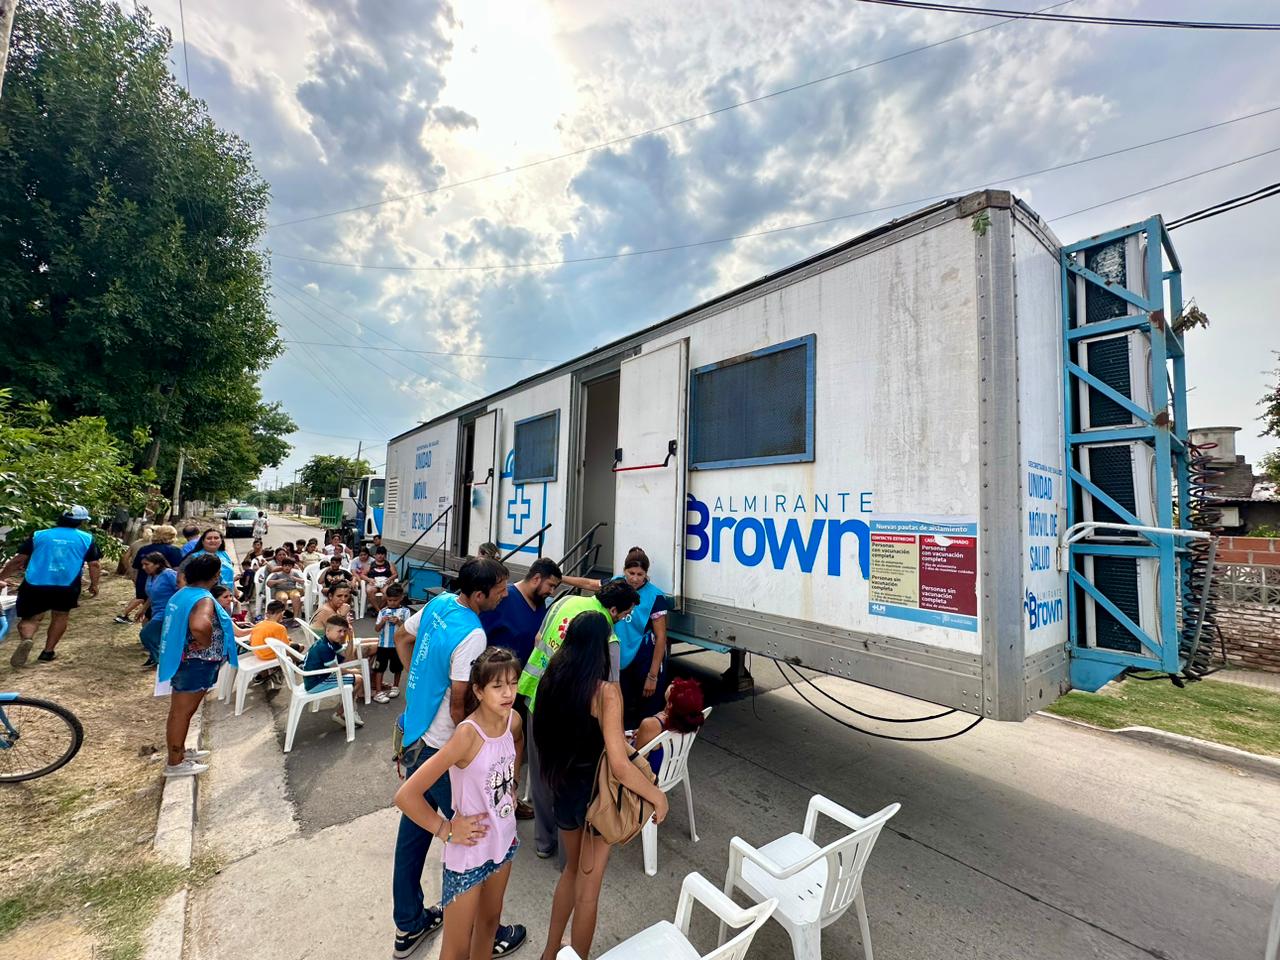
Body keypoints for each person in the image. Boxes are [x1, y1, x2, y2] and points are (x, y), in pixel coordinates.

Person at [389, 557, 525, 960]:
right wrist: (476, 741)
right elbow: (459, 704)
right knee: (475, 831)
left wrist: (418, 684)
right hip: (445, 747)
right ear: (479, 595)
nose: (505, 594)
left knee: (413, 833)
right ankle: (487, 930)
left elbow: (402, 636)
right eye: (499, 589)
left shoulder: (440, 603)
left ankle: (409, 922)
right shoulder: (474, 636)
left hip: (416, 731)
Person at [533, 612, 668, 960]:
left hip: (563, 789)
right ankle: (576, 955)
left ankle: (550, 952)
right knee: (588, 892)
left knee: (570, 872)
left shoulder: (550, 680)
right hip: (597, 798)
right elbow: (619, 766)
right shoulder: (606, 692)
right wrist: (656, 795)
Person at [518, 580, 639, 858]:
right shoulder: (608, 638)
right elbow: (612, 690)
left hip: (538, 699)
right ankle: (567, 856)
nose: (624, 619)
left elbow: (538, 640)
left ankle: (543, 842)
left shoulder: (565, 601)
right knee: (568, 783)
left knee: (542, 775)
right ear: (613, 610)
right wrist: (617, 732)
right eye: (625, 614)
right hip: (575, 718)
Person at [480, 557, 563, 819]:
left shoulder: (540, 604)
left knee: (514, 747)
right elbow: (479, 639)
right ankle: (487, 804)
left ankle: (509, 799)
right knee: (492, 748)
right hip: (496, 690)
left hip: (523, 688)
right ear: (536, 578)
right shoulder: (504, 599)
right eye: (550, 585)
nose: (552, 592)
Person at [565, 546, 671, 727]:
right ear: (624, 571)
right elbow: (590, 584)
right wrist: (560, 577)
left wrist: (652, 676)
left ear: (646, 574)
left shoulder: (655, 596)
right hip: (618, 656)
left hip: (643, 657)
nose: (635, 578)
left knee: (647, 710)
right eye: (631, 573)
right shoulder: (617, 584)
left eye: (640, 574)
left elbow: (661, 637)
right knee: (621, 707)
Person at [157, 553, 235, 777]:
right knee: (182, 713)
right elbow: (200, 625)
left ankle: (180, 751)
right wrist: (206, 642)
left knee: (181, 712)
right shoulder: (203, 599)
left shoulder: (182, 593)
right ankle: (175, 763)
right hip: (196, 663)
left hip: (184, 660)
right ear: (215, 575)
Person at [1, 505, 102, 667]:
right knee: (60, 615)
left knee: (31, 618)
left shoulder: (39, 535)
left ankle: (27, 639)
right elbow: (94, 564)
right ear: (81, 522)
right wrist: (94, 584)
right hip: (67, 584)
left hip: (35, 582)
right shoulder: (86, 538)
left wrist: (1, 577)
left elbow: (19, 560)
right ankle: (48, 652)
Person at [302, 615, 365, 728]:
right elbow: (336, 670)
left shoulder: (330, 641)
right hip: (316, 683)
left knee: (355, 677)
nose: (342, 634)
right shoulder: (324, 647)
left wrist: (350, 638)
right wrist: (353, 671)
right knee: (359, 679)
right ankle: (340, 713)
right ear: (328, 630)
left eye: (344, 631)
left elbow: (347, 657)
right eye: (339, 631)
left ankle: (348, 708)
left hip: (317, 678)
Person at [634, 677, 706, 775]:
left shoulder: (653, 724)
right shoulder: (689, 720)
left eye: (677, 687)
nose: (673, 682)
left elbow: (636, 764)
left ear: (670, 705)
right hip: (670, 770)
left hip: (648, 774)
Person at [117, 524, 183, 624]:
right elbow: (178, 571)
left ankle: (146, 630)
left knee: (148, 613)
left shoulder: (144, 549)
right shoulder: (174, 551)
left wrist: (134, 578)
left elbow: (136, 567)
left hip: (144, 582)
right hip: (165, 586)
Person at [138, 552, 179, 668]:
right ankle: (156, 657)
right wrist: (143, 609)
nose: (144, 567)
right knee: (159, 637)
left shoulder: (169, 574)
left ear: (157, 564)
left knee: (146, 634)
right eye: (143, 564)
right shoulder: (151, 576)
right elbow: (152, 595)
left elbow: (181, 589)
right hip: (156, 611)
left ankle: (159, 659)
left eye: (147, 564)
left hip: (168, 611)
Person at [372, 584, 409, 703]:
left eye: (395, 600)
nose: (392, 603)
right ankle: (378, 692)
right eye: (389, 600)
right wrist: (382, 622)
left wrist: (398, 622)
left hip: (398, 646)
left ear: (401, 598)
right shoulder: (383, 612)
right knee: (380, 668)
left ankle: (395, 686)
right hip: (383, 645)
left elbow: (407, 629)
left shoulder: (405, 611)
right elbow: (377, 629)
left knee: (397, 667)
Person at [265, 557, 306, 622]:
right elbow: (268, 583)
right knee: (283, 598)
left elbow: (303, 581)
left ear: (292, 567)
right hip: (280, 590)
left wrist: (295, 578)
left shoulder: (294, 573)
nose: (287, 567)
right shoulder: (278, 574)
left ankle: (295, 617)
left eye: (289, 566)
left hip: (292, 590)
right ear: (282, 566)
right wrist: (278, 581)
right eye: (285, 565)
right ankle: (280, 617)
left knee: (296, 596)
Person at [367, 548, 398, 614]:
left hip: (385, 582)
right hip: (374, 582)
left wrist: (390, 579)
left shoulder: (389, 564)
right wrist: (369, 579)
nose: (380, 556)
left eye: (382, 554)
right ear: (375, 555)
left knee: (388, 592)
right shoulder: (371, 564)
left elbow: (395, 574)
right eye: (378, 554)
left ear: (385, 555)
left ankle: (378, 609)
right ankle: (378, 610)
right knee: (369, 591)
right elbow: (363, 574)